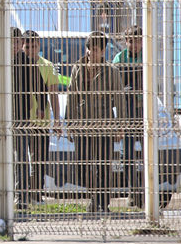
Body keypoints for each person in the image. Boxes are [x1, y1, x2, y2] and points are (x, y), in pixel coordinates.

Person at [65, 31, 126, 213]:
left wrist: (120, 127)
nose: (92, 53)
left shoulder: (111, 72)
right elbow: (71, 97)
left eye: (96, 49)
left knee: (103, 168)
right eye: (89, 48)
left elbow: (120, 100)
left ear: (103, 51)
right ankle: (95, 197)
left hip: (104, 126)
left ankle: (102, 204)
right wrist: (70, 125)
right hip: (83, 126)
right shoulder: (78, 68)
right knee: (82, 168)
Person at [22, 30, 62, 196]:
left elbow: (53, 95)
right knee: (23, 159)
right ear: (22, 47)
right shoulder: (18, 65)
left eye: (35, 46)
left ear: (39, 45)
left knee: (40, 159)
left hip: (41, 121)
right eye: (28, 46)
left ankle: (36, 193)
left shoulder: (47, 66)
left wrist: (57, 120)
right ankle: (23, 192)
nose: (31, 50)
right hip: (23, 120)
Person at [12, 29, 48, 209]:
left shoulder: (27, 62)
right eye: (11, 42)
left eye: (17, 42)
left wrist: (41, 106)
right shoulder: (0, 62)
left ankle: (22, 197)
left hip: (22, 117)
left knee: (21, 158)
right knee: (1, 158)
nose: (14, 46)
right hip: (1, 116)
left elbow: (41, 86)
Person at [112, 25, 144, 208]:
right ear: (126, 42)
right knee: (128, 153)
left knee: (147, 151)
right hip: (127, 109)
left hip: (143, 109)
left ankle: (148, 190)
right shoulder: (119, 59)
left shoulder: (145, 57)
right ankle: (134, 191)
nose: (134, 45)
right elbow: (116, 87)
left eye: (138, 41)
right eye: (131, 41)